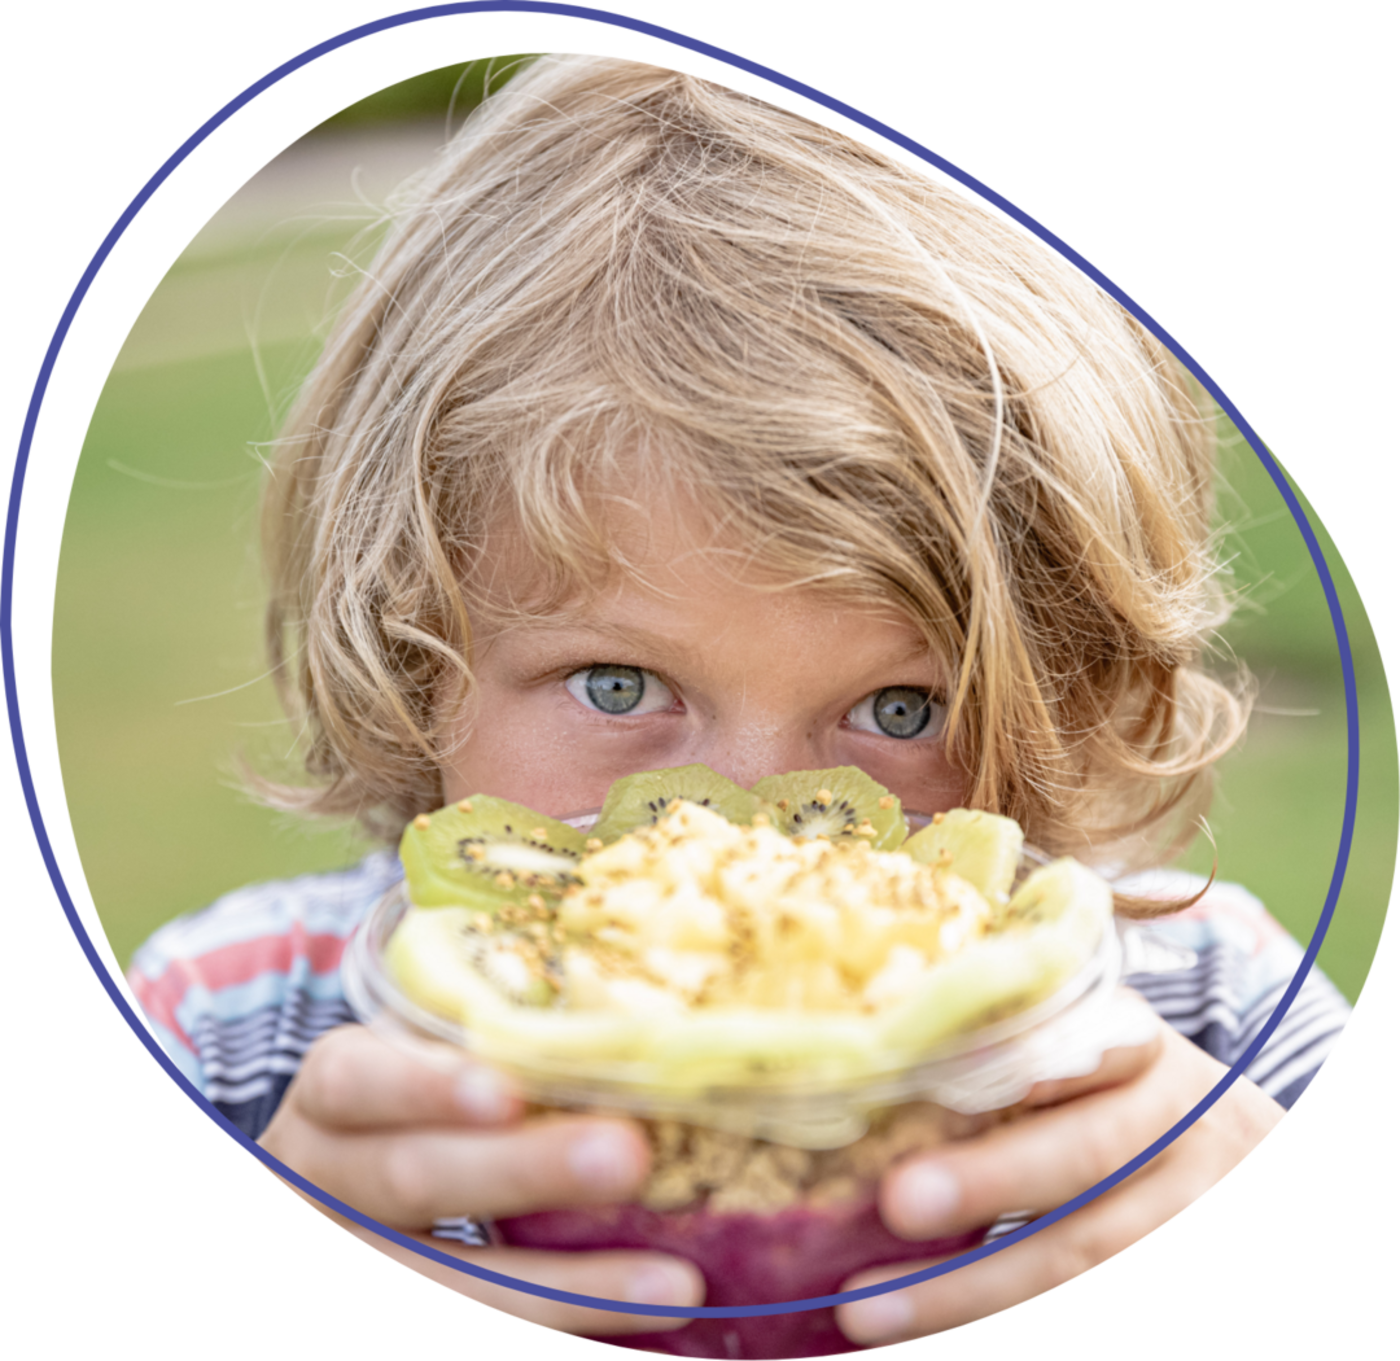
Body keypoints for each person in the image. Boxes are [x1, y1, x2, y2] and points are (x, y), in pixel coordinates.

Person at [127, 50, 1350, 1351]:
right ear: (411, 655)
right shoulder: (232, 1036)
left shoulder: (1209, 1028)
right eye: (619, 685)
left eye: (899, 709)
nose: (748, 836)